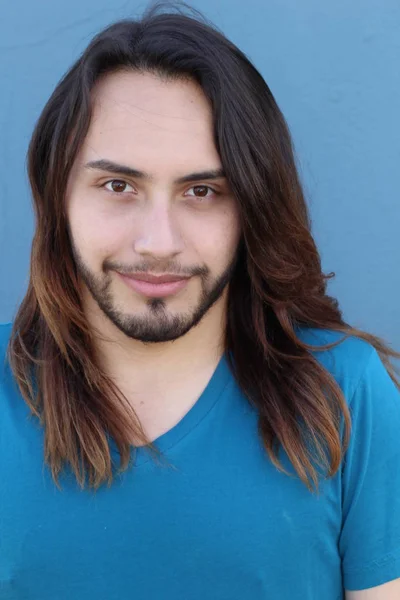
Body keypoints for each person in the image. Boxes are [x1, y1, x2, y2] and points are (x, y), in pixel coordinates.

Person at [1, 3, 399, 599]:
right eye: (118, 186)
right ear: (56, 196)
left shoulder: (344, 393)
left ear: (253, 208)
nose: (158, 242)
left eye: (203, 191)